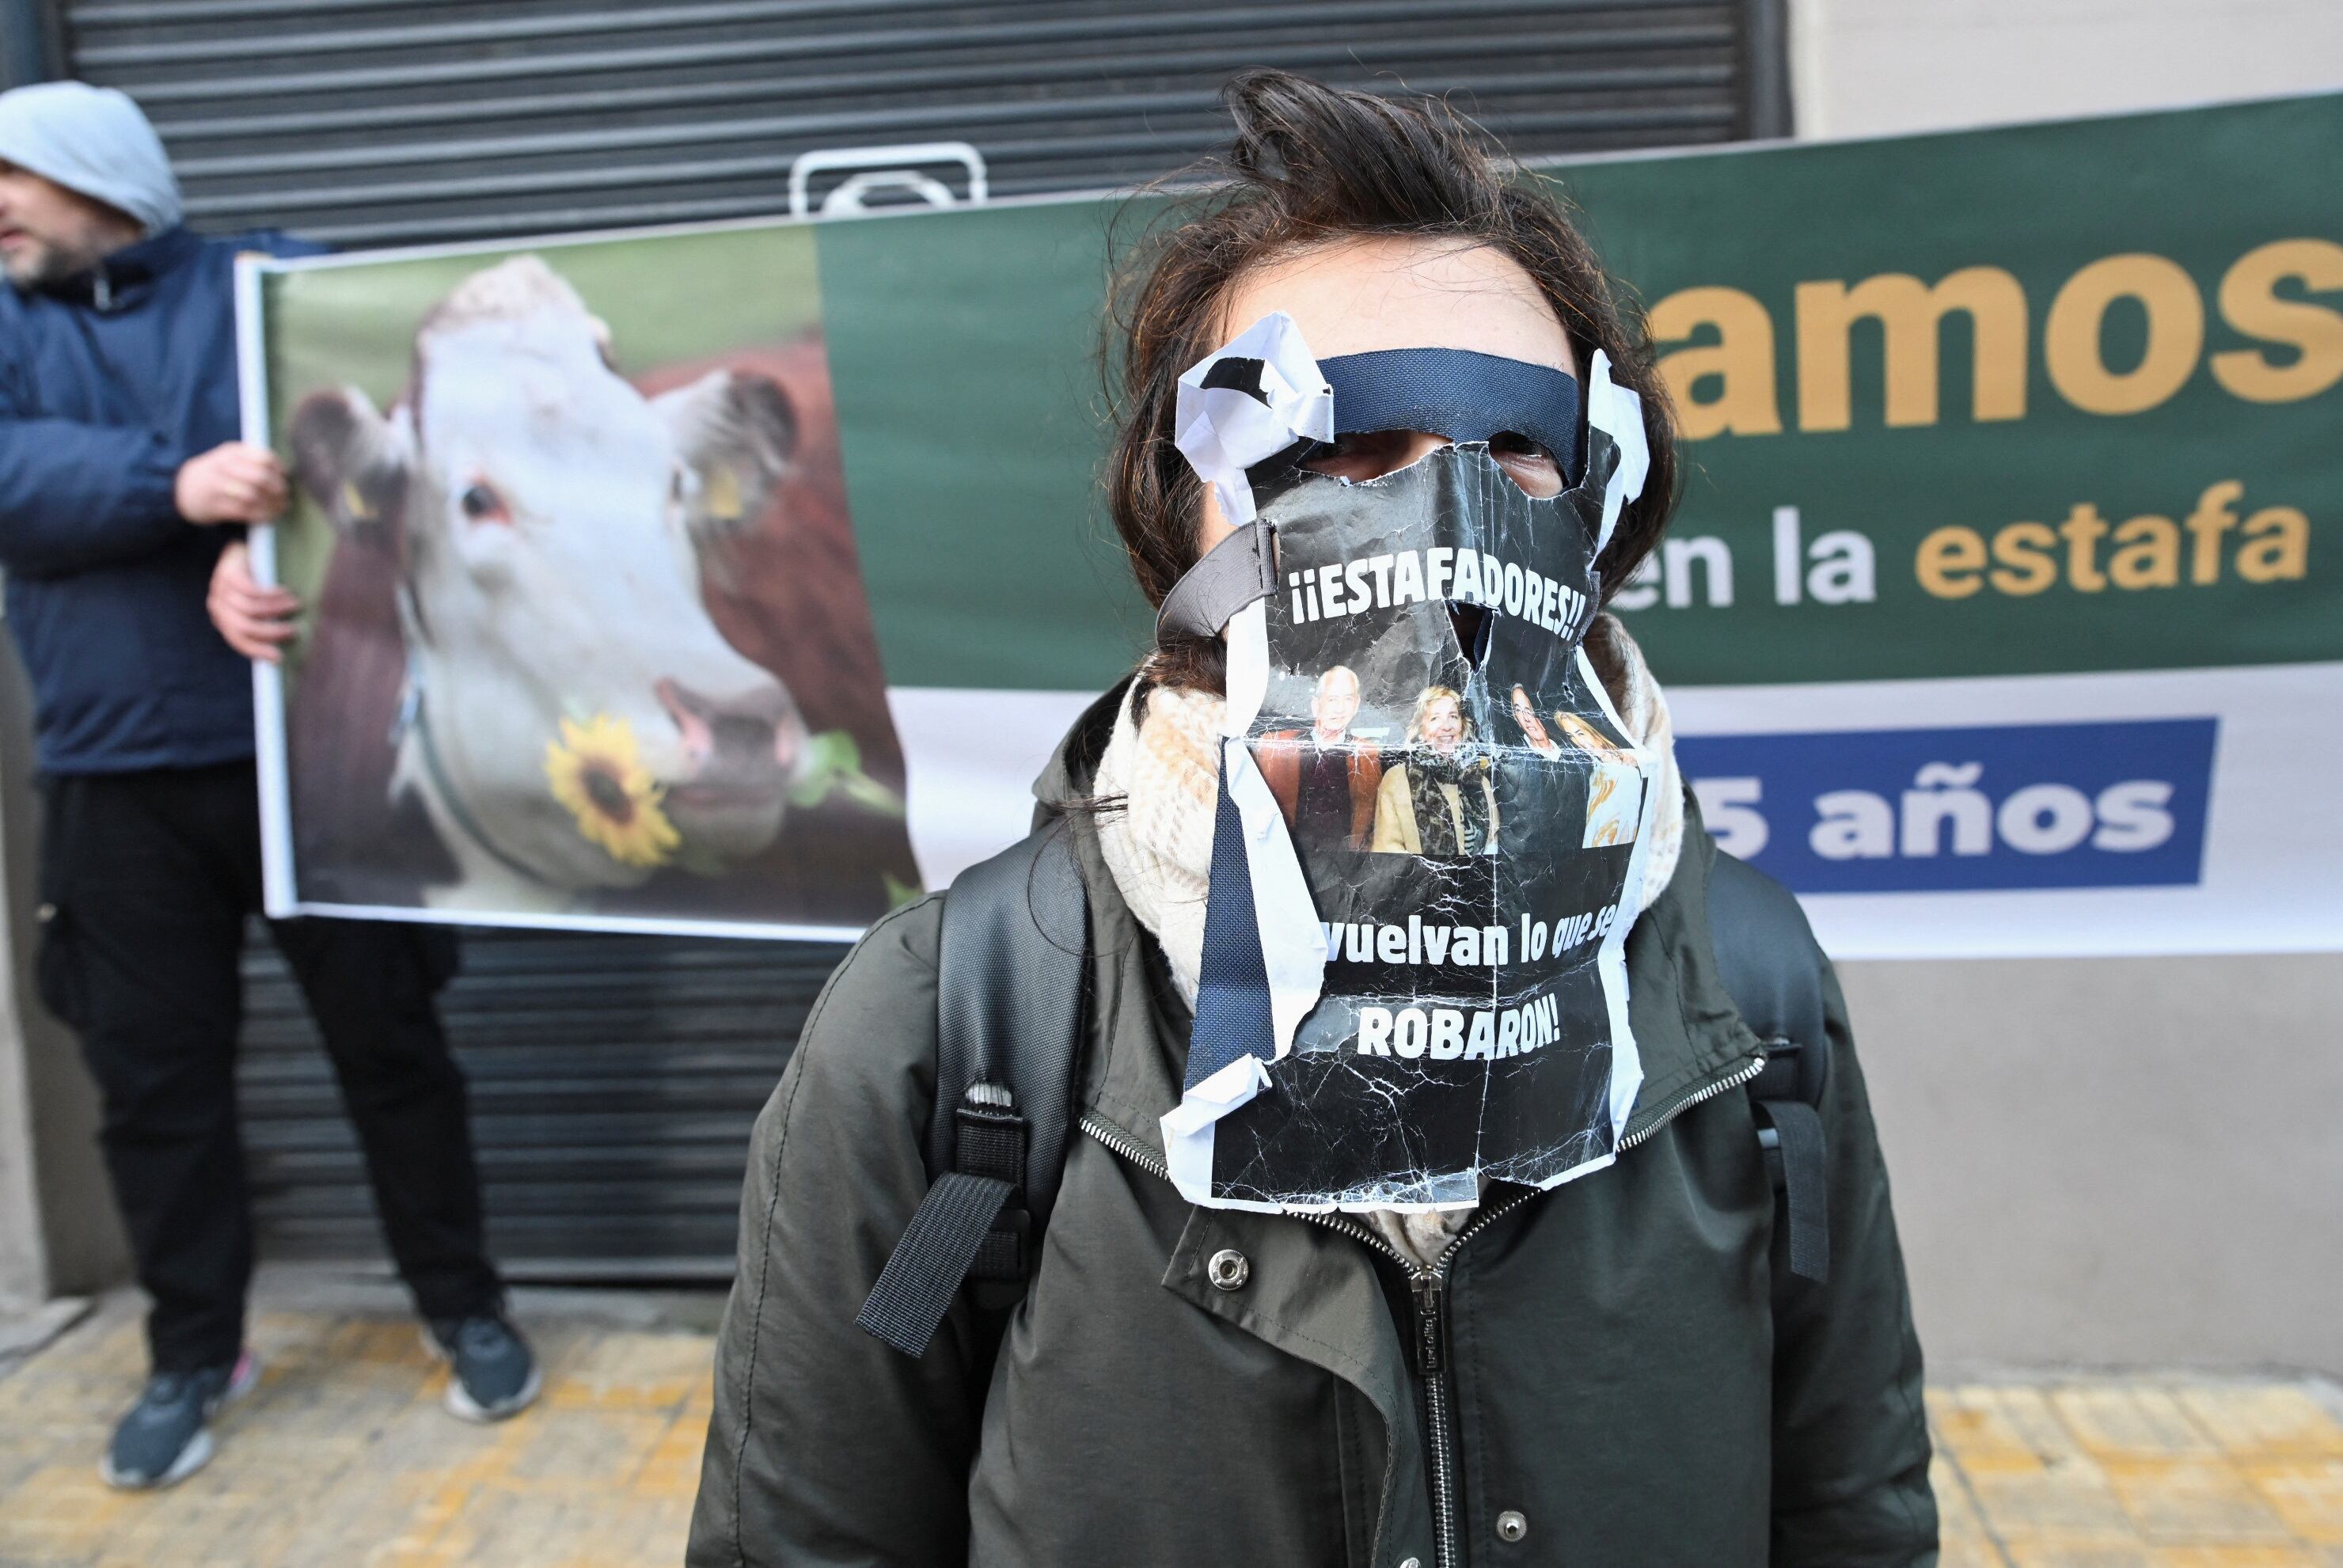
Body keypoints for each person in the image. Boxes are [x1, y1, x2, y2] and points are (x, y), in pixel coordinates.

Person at [691, 71, 1935, 1566]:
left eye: (1516, 450)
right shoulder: (944, 1025)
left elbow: (1853, 1502)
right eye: (1335, 448)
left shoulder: (1753, 986)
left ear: (1603, 504)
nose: (1440, 520)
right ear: (1183, 514)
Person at [0, 81, 537, 1492]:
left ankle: (465, 1307)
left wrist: (273, 539)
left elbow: (385, 432)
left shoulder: (273, 282)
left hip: (316, 753)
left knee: (395, 1050)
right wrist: (176, 493)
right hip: (114, 779)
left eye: (13, 175)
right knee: (150, 1083)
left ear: (97, 171)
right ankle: (191, 1353)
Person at [1253, 664, 1384, 849]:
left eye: (1347, 699)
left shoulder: (1367, 754)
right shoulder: (1275, 748)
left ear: (1356, 705)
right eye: (1332, 699)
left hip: (1344, 863)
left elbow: (1372, 825)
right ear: (1316, 705)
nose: (1340, 709)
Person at [1371, 684, 1500, 856]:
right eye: (1435, 719)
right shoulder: (1397, 780)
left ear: (1462, 727)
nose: (1446, 726)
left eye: (1453, 717)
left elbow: (1493, 843)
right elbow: (1387, 855)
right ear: (1421, 730)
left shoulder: (1479, 781)